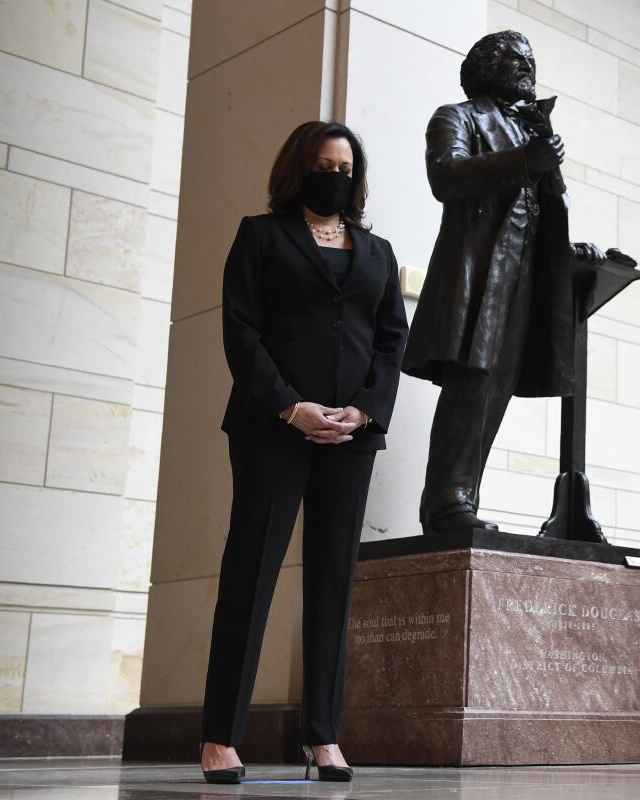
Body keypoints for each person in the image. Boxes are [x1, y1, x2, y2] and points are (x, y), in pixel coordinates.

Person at [198, 121, 409, 784]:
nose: (335, 175)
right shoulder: (260, 237)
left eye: (345, 166)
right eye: (323, 164)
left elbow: (390, 341)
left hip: (350, 435)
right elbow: (242, 331)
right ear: (299, 169)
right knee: (251, 574)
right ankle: (220, 737)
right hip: (273, 429)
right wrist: (290, 406)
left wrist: (365, 409)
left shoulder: (376, 252)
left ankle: (323, 735)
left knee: (332, 581)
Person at [402, 30, 608, 534]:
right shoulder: (459, 116)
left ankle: (464, 497)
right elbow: (446, 176)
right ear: (487, 65)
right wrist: (523, 162)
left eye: (531, 61)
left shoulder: (529, 129)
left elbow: (538, 209)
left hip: (525, 282)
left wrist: (567, 246)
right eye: (517, 59)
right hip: (480, 278)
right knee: (470, 387)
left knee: (495, 392)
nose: (527, 68)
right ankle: (446, 501)